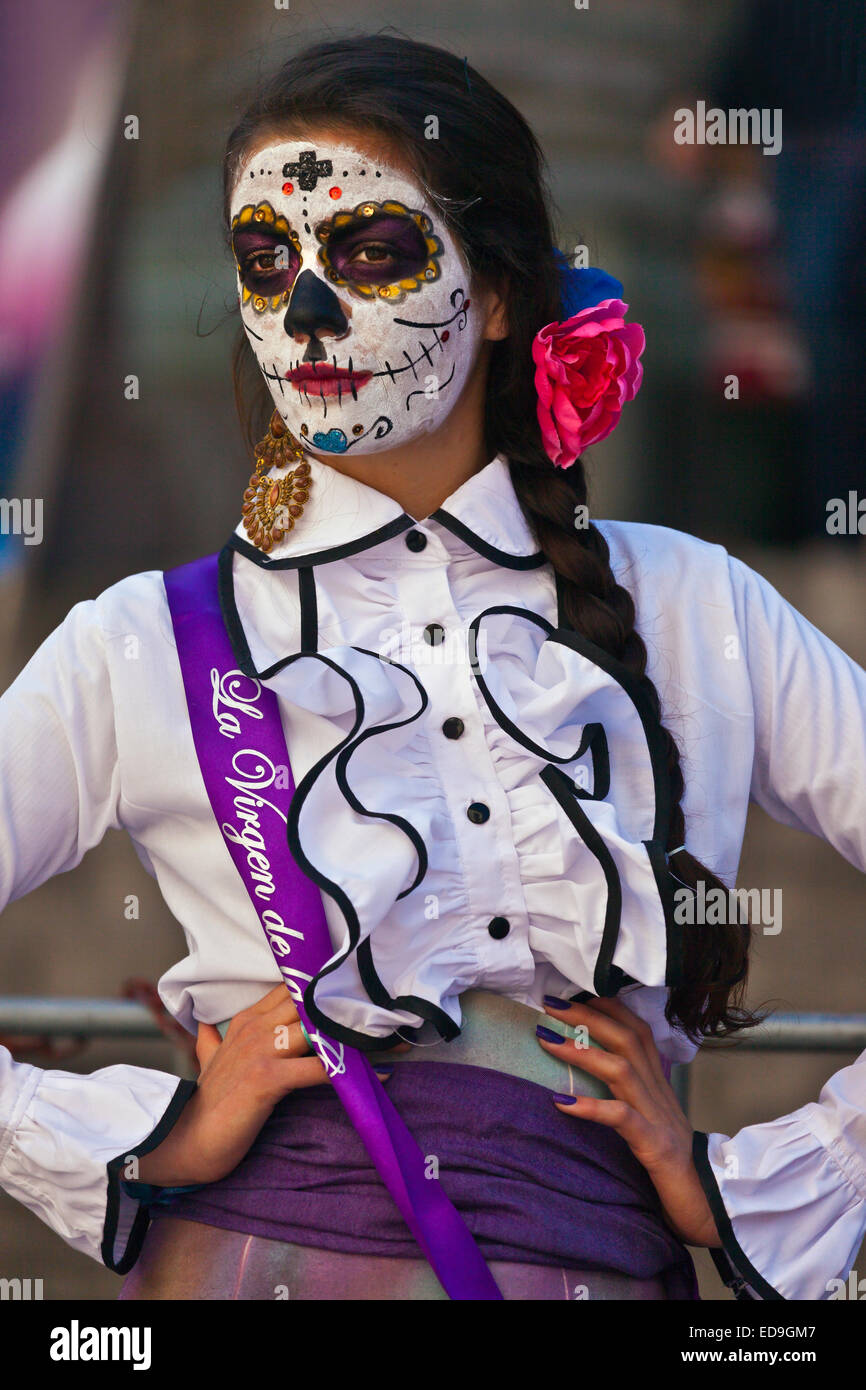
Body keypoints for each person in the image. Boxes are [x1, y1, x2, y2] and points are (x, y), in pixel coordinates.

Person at [1, 35, 864, 1302]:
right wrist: (141, 1141)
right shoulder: (137, 639)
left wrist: (764, 1175)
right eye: (264, 261)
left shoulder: (692, 605)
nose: (304, 314)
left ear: (499, 289)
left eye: (367, 253)